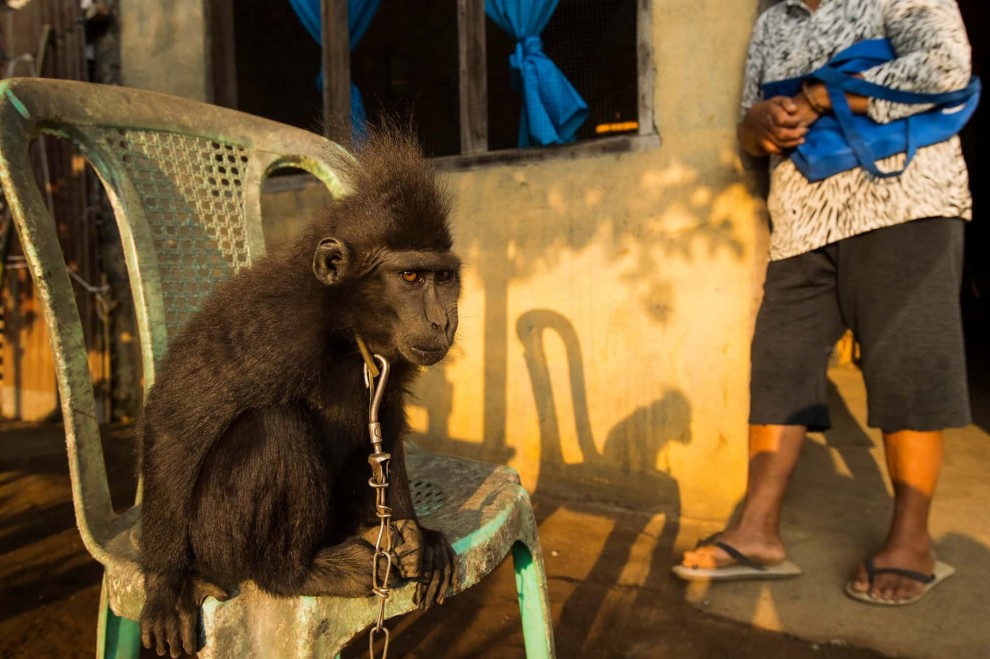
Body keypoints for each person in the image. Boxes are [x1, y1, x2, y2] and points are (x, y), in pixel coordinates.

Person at [674, 0, 974, 605]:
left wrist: (818, 94)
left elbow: (947, 68)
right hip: (803, 223)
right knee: (780, 366)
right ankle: (757, 532)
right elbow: (747, 131)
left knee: (907, 368)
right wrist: (760, 124)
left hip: (905, 204)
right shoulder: (772, 21)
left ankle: (911, 542)